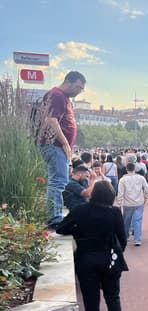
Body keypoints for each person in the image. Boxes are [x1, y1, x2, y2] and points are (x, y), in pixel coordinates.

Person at [56, 181, 127, 311]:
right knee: (113, 297)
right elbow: (122, 239)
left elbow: (60, 228)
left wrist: (78, 232)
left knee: (90, 300)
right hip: (109, 259)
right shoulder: (115, 213)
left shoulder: (80, 210)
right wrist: (116, 253)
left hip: (85, 260)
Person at [37, 71, 86, 230]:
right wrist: (65, 143)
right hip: (55, 145)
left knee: (61, 181)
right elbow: (51, 120)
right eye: (78, 87)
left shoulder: (63, 97)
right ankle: (55, 218)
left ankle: (56, 215)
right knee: (58, 182)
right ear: (69, 82)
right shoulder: (57, 95)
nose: (79, 92)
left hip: (57, 147)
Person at [116, 162, 148, 246]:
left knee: (126, 221)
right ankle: (137, 239)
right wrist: (145, 197)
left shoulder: (122, 180)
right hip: (139, 202)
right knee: (138, 220)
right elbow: (147, 188)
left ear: (126, 170)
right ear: (135, 169)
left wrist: (119, 203)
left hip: (127, 203)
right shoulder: (141, 178)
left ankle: (126, 236)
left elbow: (120, 193)